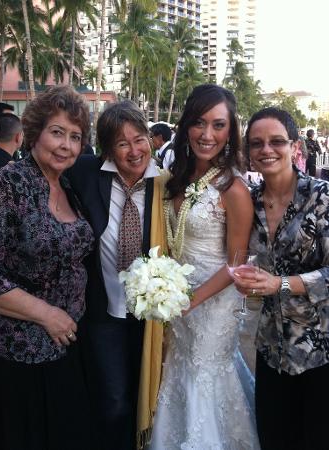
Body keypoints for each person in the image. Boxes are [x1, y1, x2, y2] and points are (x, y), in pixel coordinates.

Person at [149, 84, 260, 450]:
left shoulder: (234, 188)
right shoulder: (176, 177)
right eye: (198, 123)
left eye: (218, 125)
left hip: (212, 302)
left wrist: (191, 300)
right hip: (176, 297)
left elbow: (236, 264)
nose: (206, 134)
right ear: (185, 126)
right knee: (179, 369)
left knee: (203, 372)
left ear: (231, 131)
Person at [0, 85, 95, 450]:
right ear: (33, 133)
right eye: (57, 132)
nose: (66, 145)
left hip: (67, 350)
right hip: (19, 354)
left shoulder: (68, 185)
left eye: (75, 136)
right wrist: (46, 314)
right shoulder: (8, 183)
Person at [67, 100, 166, 450]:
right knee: (113, 401)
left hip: (153, 315)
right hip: (103, 312)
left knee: (149, 395)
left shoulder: (166, 186)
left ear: (151, 140)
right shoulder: (84, 172)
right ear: (108, 148)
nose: (134, 150)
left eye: (139, 139)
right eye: (122, 143)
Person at [235, 107, 329, 450]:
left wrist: (281, 284)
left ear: (294, 147)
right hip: (271, 348)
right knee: (274, 439)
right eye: (257, 143)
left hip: (319, 350)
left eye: (277, 141)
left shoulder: (321, 196)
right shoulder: (249, 200)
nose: (266, 150)